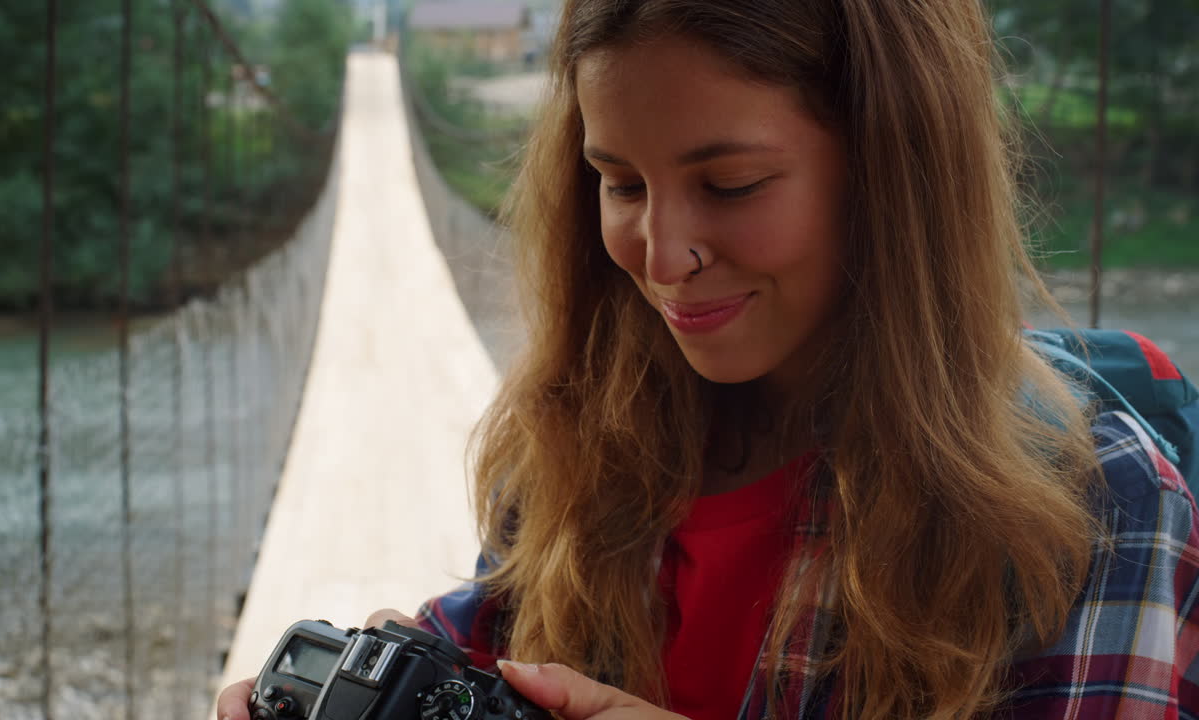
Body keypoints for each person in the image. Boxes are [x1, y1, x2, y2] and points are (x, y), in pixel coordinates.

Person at [219, 0, 1199, 718]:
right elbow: (485, 639)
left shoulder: (1097, 518)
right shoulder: (571, 440)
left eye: (729, 185)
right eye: (619, 184)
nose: (661, 258)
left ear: (891, 174)